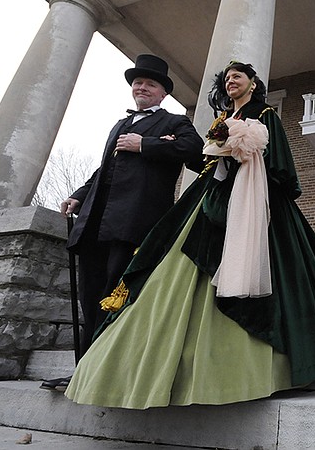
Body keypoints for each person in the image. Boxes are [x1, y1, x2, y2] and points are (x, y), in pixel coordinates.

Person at [63, 61, 315, 409]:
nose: (231, 80)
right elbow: (203, 161)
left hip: (254, 198)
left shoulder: (264, 113)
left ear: (253, 83)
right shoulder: (218, 121)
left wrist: (239, 154)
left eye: (238, 76)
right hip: (211, 194)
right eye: (227, 77)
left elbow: (276, 160)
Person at [41, 54, 203, 390]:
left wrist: (146, 144)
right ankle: (85, 372)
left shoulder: (174, 123)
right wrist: (80, 196)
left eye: (151, 84)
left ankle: (109, 372)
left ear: (162, 93)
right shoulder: (119, 125)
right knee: (90, 297)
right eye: (138, 82)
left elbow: (196, 152)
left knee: (117, 297)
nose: (142, 87)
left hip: (134, 224)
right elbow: (104, 170)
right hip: (96, 225)